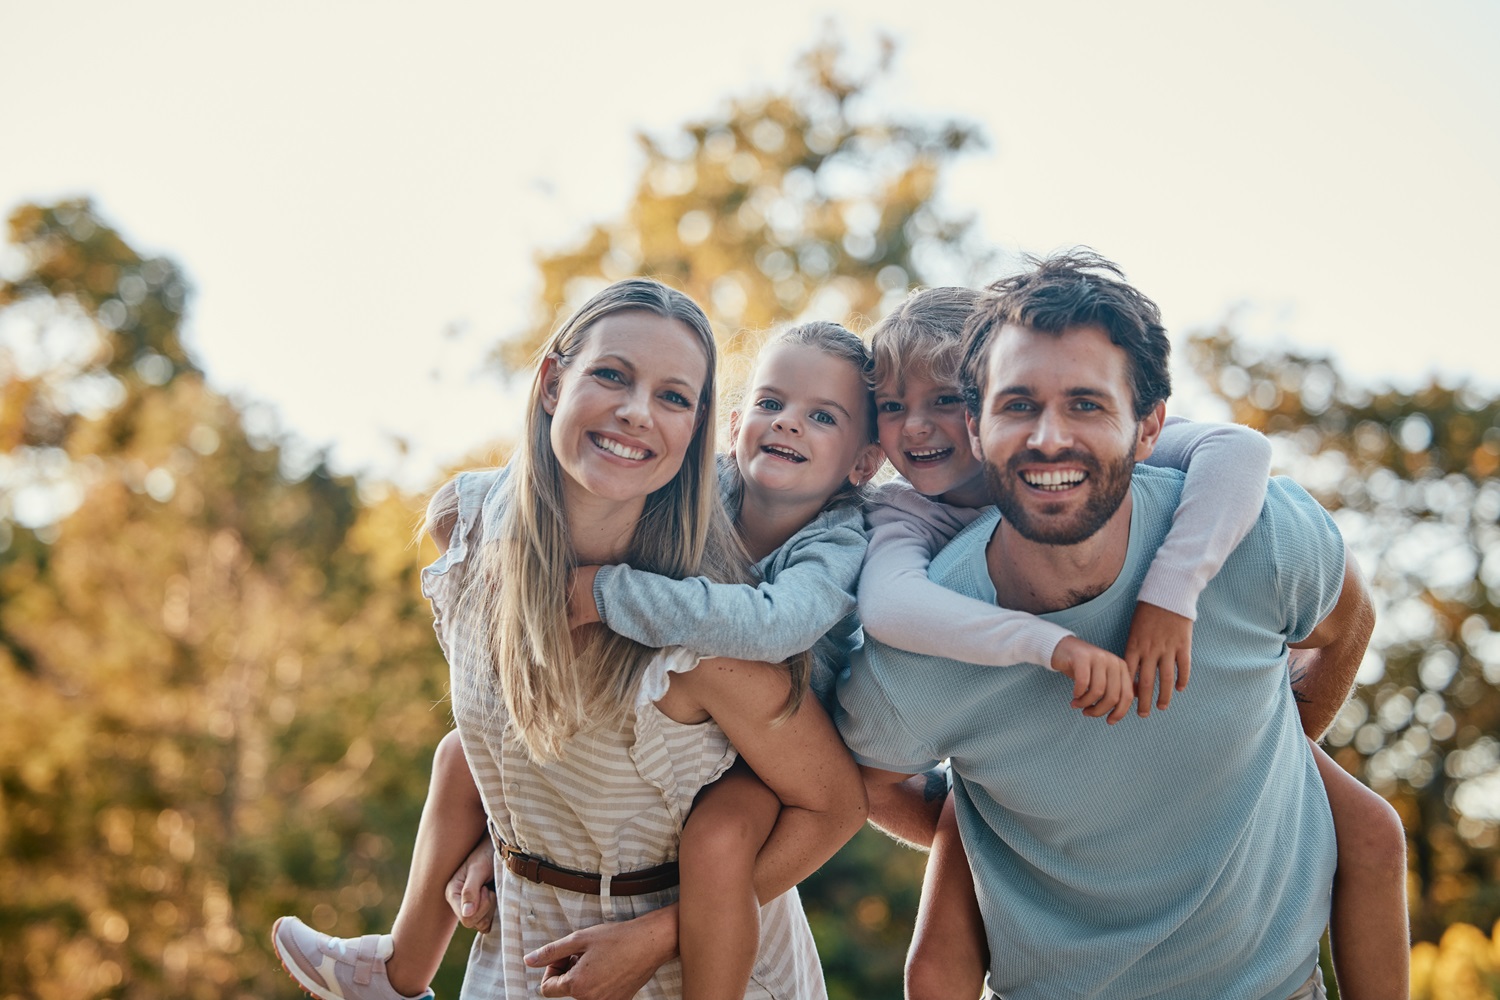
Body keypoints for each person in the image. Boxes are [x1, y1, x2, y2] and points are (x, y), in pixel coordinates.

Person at [273, 283, 867, 1000]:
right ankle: (394, 973)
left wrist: (656, 935)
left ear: (695, 429)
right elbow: (521, 739)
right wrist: (505, 829)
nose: (637, 411)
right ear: (553, 381)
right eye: (612, 375)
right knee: (457, 752)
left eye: (674, 398)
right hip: (521, 947)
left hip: (681, 961)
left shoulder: (708, 629)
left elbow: (833, 800)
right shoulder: (465, 528)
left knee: (722, 833)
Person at [836, 251, 1380, 1000]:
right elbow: (859, 775)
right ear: (981, 420)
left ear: (1150, 424)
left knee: (1376, 832)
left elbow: (1345, 617)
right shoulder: (921, 611)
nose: (1050, 437)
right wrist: (1004, 834)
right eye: (1018, 404)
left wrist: (1247, 762)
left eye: (1087, 404)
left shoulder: (1252, 535)